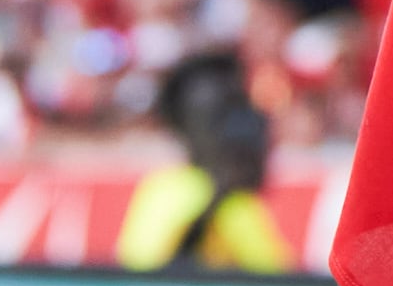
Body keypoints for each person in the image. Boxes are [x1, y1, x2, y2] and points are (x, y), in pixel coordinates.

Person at [112, 56, 293, 274]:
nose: (243, 132)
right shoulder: (209, 198)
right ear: (189, 128)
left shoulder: (161, 188)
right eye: (221, 118)